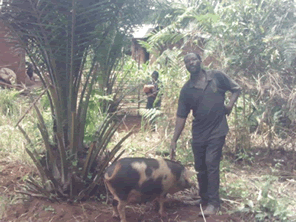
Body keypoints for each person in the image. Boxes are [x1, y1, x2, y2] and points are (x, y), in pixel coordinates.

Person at [170, 52, 241, 216]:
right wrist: (174, 139)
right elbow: (181, 116)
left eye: (193, 59)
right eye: (187, 61)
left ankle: (214, 203)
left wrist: (229, 106)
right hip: (199, 132)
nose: (191, 62)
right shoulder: (187, 90)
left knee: (211, 163)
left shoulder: (216, 76)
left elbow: (236, 89)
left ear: (200, 61)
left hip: (217, 130)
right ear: (185, 66)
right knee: (200, 166)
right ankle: (203, 198)